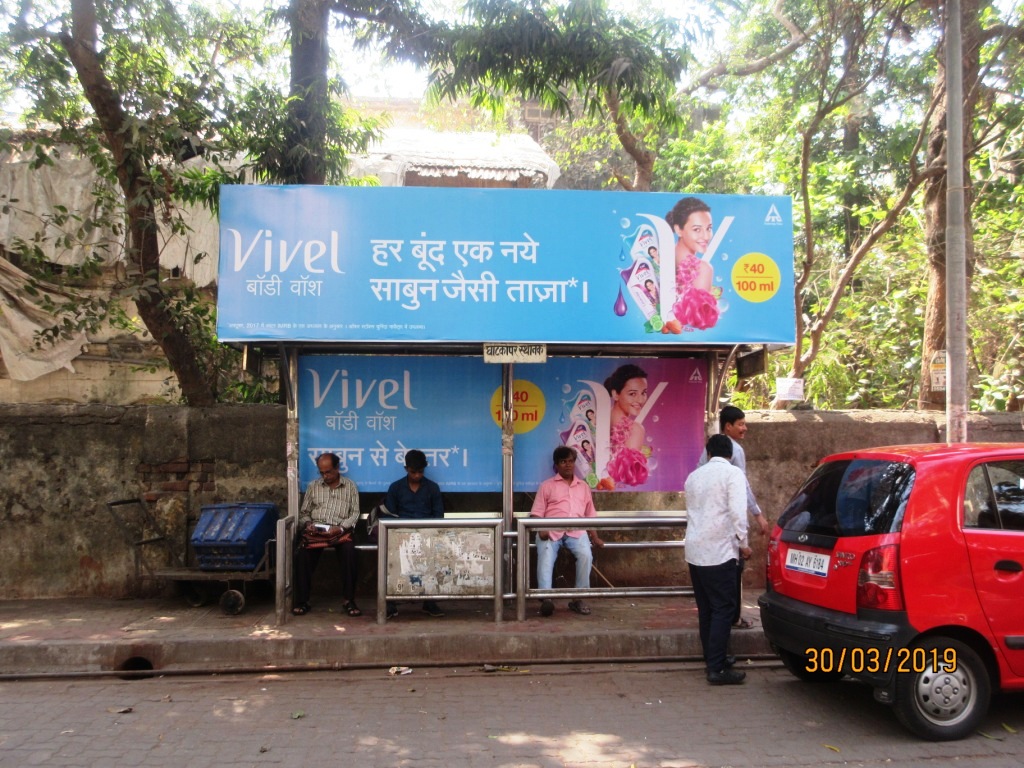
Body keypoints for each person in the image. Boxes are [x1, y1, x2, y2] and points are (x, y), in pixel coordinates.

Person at [685, 434, 752, 685]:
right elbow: (738, 513)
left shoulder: (694, 476)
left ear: (709, 453)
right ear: (731, 454)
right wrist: (744, 545)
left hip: (695, 550)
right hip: (719, 551)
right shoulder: (733, 474)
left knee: (706, 610)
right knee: (723, 608)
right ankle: (716, 668)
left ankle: (714, 657)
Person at [698, 405, 770, 629]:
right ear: (728, 426)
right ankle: (732, 616)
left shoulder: (707, 454)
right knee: (733, 569)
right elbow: (742, 487)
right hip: (727, 522)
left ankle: (719, 617)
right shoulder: (734, 450)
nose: (744, 428)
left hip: (707, 524)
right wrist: (758, 515)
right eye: (740, 424)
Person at [531, 445, 605, 617]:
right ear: (556, 464)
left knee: (586, 555)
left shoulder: (584, 487)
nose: (568, 465)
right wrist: (541, 528)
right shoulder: (546, 486)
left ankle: (578, 598)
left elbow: (590, 515)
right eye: (563, 461)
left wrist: (595, 537)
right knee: (546, 556)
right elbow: (536, 513)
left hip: (577, 532)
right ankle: (546, 598)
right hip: (551, 530)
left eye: (570, 461)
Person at [293, 452, 361, 617]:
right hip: (316, 531)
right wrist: (309, 525)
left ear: (337, 468)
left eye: (328, 471)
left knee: (350, 552)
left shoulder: (350, 486)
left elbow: (355, 513)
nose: (325, 476)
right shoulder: (313, 486)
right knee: (302, 554)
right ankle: (303, 601)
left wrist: (341, 528)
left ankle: (349, 600)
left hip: (339, 532)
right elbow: (304, 513)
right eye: (322, 472)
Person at [384, 449, 445, 619]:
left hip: (427, 537)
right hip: (400, 537)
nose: (417, 475)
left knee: (434, 557)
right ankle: (390, 603)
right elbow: (390, 516)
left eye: (420, 472)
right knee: (391, 560)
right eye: (413, 472)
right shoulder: (395, 488)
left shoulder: (432, 488)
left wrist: (427, 535)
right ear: (406, 469)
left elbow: (438, 515)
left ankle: (429, 601)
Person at [666, 197, 720, 331]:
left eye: (709, 228)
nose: (706, 236)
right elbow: (698, 321)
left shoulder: (660, 256)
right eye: (697, 229)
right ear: (678, 229)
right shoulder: (703, 269)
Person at [603, 363, 650, 486]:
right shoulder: (636, 430)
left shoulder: (597, 418)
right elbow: (629, 478)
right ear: (615, 394)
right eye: (632, 394)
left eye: (643, 392)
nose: (640, 400)